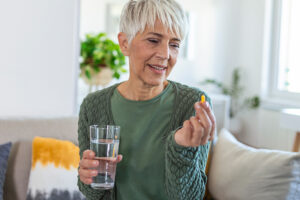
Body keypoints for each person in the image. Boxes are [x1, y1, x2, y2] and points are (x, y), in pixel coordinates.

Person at [77, 0, 216, 199]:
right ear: (125, 43)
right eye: (153, 40)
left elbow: (190, 197)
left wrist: (181, 149)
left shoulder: (193, 104)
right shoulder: (93, 106)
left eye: (174, 44)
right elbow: (93, 191)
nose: (165, 54)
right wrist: (87, 177)